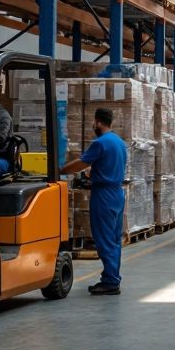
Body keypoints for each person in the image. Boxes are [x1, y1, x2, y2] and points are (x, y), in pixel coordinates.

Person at [61, 108, 129, 295]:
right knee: (114, 239)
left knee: (104, 239)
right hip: (117, 193)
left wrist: (61, 170)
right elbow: (112, 165)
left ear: (98, 122)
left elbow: (81, 163)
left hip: (103, 195)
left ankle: (110, 282)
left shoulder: (100, 143)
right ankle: (112, 277)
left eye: (94, 122)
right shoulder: (120, 143)